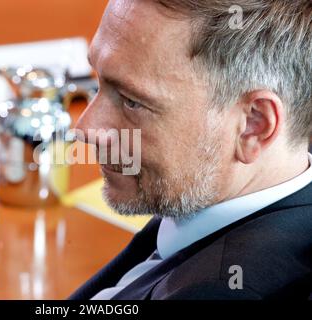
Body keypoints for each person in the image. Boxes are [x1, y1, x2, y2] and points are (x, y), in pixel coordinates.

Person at [70, 0, 312, 300]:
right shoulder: (201, 196)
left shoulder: (220, 291)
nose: (86, 129)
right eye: (98, 80)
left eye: (132, 101)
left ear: (254, 125)